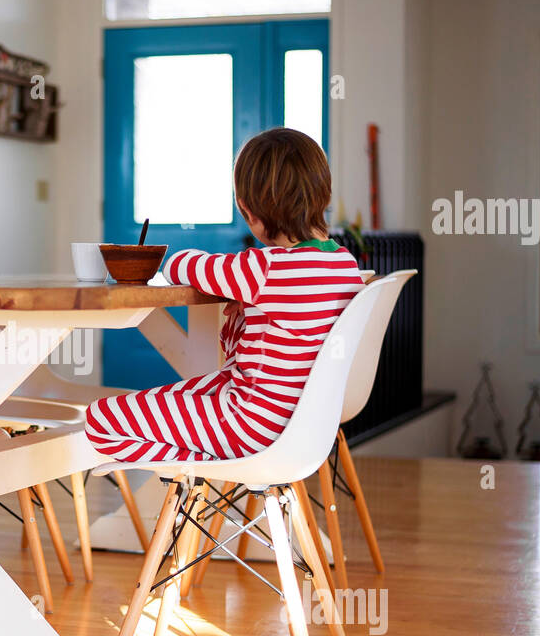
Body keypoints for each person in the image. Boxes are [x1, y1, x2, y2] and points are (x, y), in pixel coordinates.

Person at [85, 127, 365, 463]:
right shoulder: (343, 263)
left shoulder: (266, 269)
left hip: (249, 424)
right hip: (304, 421)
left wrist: (245, 290)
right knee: (181, 392)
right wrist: (247, 297)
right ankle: (211, 473)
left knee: (100, 419)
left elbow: (178, 265)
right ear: (324, 193)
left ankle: (210, 475)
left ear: (250, 212)